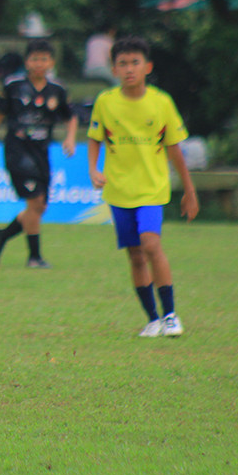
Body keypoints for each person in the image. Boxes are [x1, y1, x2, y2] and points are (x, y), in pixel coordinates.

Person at [87, 36, 198, 338]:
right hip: (119, 191)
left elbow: (175, 149)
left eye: (135, 62)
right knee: (135, 256)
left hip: (151, 189)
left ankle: (171, 314)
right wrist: (93, 169)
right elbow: (95, 138)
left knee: (151, 245)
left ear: (147, 67)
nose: (129, 69)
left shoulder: (161, 103)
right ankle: (153, 319)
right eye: (122, 64)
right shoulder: (106, 102)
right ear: (114, 69)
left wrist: (189, 190)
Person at [0, 39, 78, 268]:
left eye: (44, 59)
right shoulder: (13, 85)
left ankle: (1, 236)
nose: (39, 63)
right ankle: (34, 257)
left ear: (52, 62)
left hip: (41, 152)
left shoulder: (57, 89)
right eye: (34, 59)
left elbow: (71, 116)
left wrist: (70, 137)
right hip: (17, 152)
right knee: (36, 201)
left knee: (38, 207)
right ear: (27, 62)